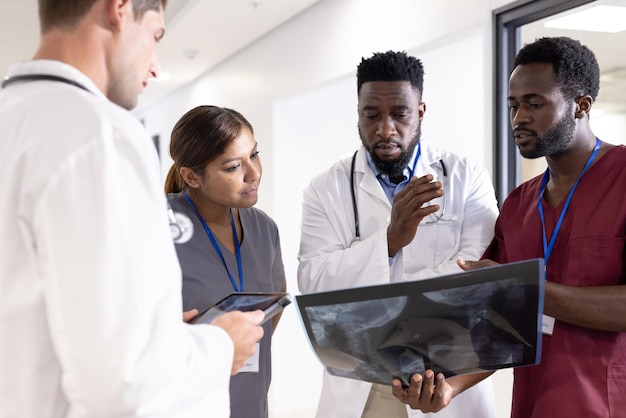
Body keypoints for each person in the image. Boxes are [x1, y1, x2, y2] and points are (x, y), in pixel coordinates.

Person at [0, 1, 264, 417]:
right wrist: (220, 346)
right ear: (118, 10)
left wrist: (158, 337)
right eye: (156, 35)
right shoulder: (99, 134)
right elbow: (124, 382)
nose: (155, 67)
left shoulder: (13, 118)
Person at [394, 36, 626, 418]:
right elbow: (499, 324)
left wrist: (523, 289)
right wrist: (449, 386)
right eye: (514, 106)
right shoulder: (519, 205)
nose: (519, 119)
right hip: (532, 406)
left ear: (581, 106)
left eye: (535, 104)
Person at [297, 50, 500, 418]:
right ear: (357, 111)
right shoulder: (324, 188)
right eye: (371, 115)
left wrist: (369, 286)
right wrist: (389, 242)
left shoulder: (465, 177)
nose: (385, 129)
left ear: (420, 111)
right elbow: (312, 282)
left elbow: (480, 280)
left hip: (447, 376)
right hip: (367, 380)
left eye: (399, 114)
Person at [164, 105, 287, 418]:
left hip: (251, 403)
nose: (254, 173)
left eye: (254, 155)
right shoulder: (157, 225)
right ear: (192, 176)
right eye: (233, 167)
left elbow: (272, 313)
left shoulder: (265, 229)